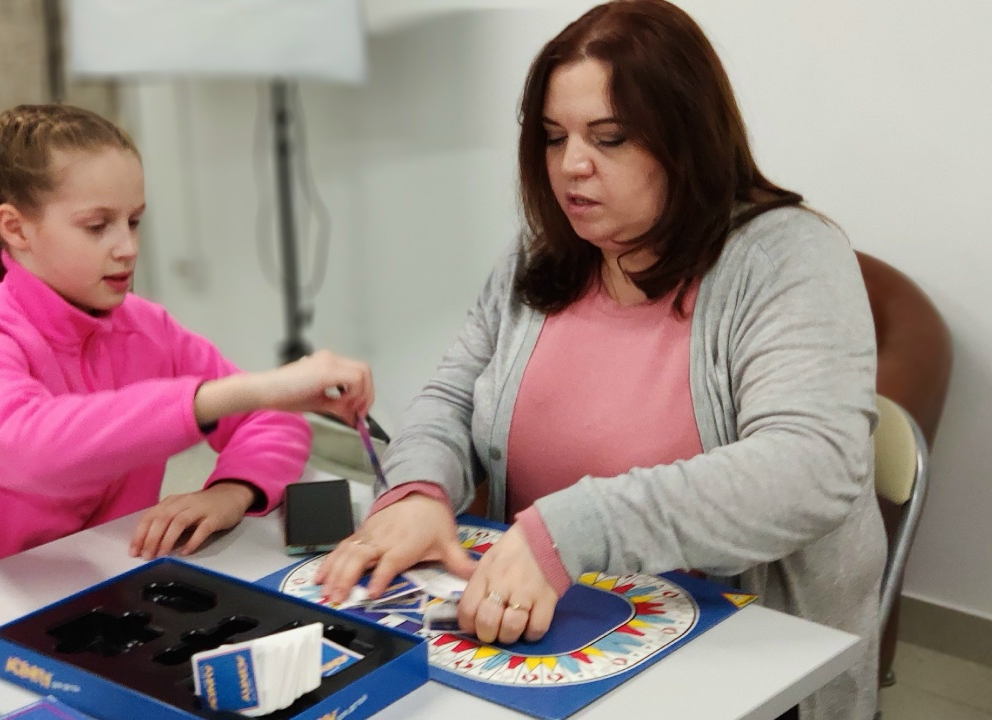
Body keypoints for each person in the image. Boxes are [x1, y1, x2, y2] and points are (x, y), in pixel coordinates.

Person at [314, 2, 883, 719]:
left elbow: (813, 467)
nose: (571, 166)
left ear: (687, 141)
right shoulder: (542, 256)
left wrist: (571, 530)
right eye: (555, 138)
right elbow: (452, 396)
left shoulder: (789, 257)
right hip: (546, 635)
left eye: (608, 138)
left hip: (730, 661)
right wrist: (419, 491)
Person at [0, 104, 374, 599]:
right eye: (97, 226)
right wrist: (237, 393)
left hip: (97, 585)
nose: (128, 247)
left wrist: (233, 491)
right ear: (16, 227)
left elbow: (271, 420)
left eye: (134, 221)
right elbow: (34, 450)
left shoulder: (147, 328)